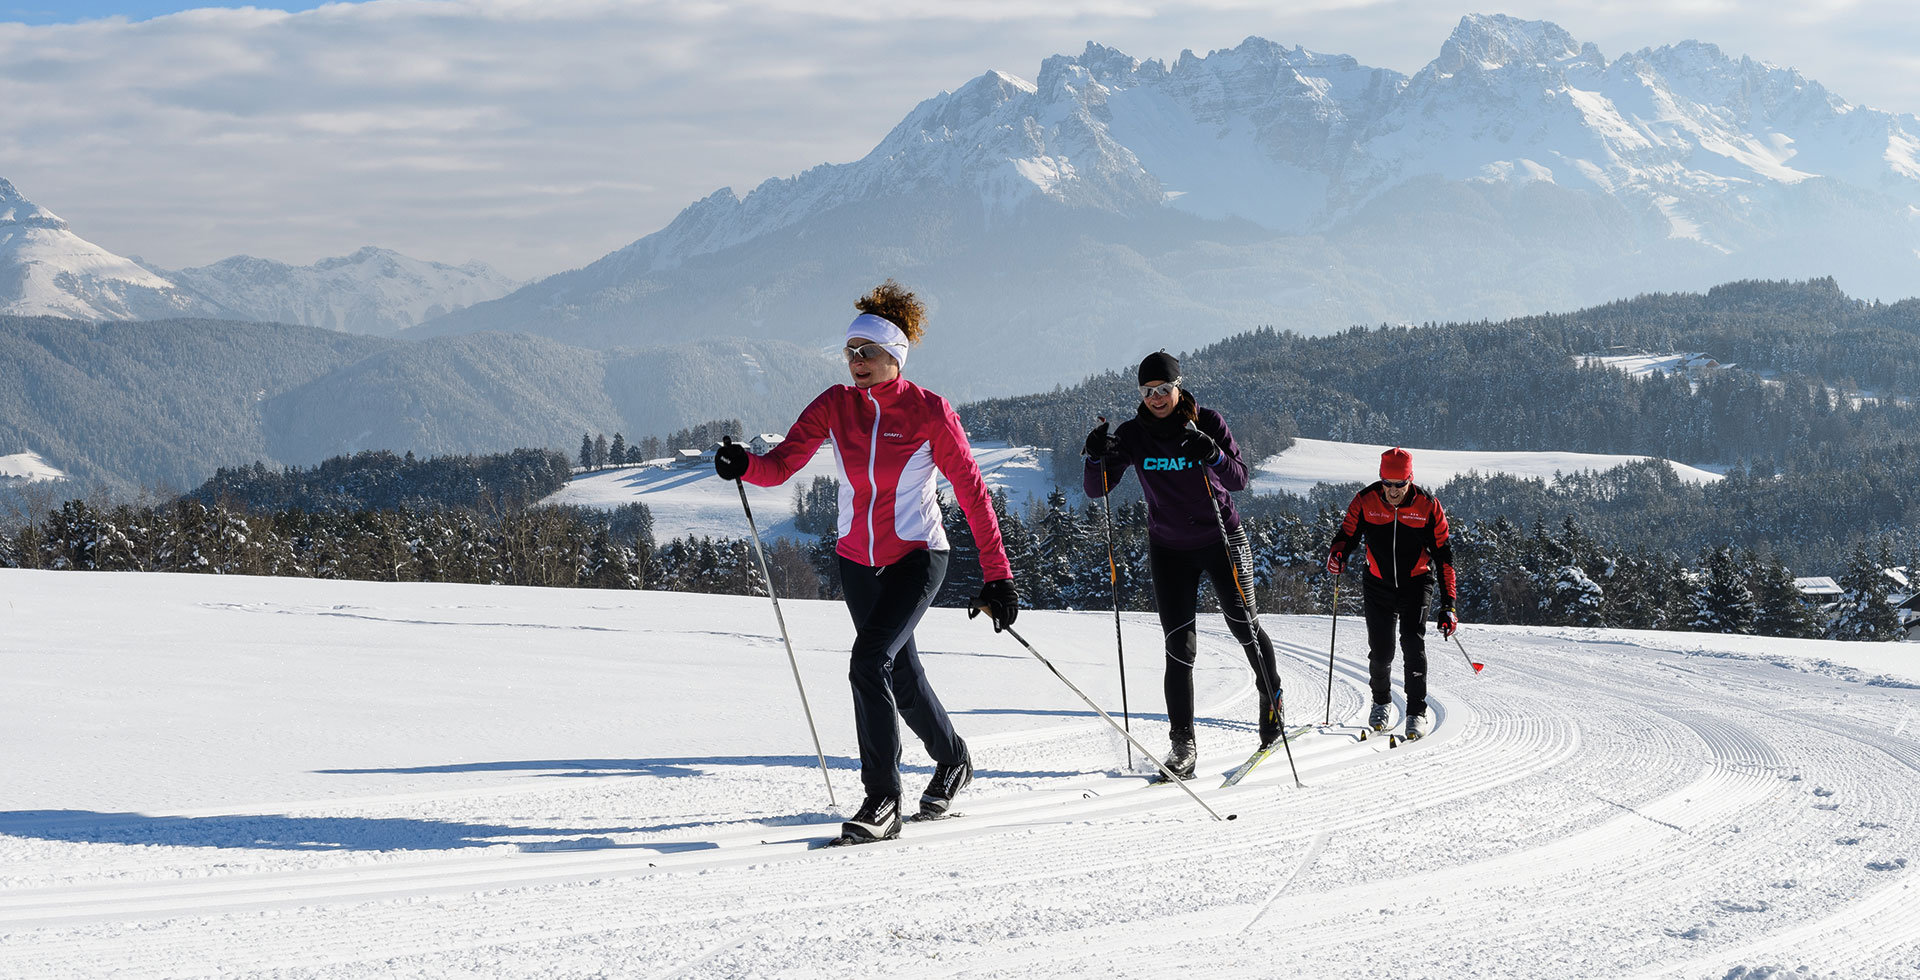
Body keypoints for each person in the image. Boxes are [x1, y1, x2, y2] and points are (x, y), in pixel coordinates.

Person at [713, 280, 1018, 843]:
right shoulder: (835, 405)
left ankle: (883, 800)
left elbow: (973, 493)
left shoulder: (930, 412)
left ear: (894, 356)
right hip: (856, 560)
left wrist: (998, 576)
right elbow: (781, 464)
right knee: (899, 671)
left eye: (868, 352)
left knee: (867, 661)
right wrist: (743, 464)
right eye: (850, 351)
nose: (855, 361)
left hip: (917, 557)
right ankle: (954, 760)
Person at [1082, 351, 1283, 780]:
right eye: (1147, 391)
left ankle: (1272, 699)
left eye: (1164, 389)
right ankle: (1183, 745)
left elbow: (1239, 480)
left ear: (1179, 386)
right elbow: (1096, 490)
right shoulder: (1133, 435)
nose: (1156, 397)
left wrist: (1211, 453)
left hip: (1221, 540)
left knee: (1243, 625)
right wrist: (1095, 455)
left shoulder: (1207, 422)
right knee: (1179, 648)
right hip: (1169, 549)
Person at [1324, 448, 1458, 741]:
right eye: (1387, 483)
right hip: (1377, 584)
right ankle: (1381, 703)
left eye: (1400, 484)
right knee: (1382, 652)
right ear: (1380, 478)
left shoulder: (1428, 506)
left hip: (1416, 583)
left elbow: (1444, 557)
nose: (1393, 490)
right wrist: (1338, 554)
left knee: (1412, 642)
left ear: (1410, 479)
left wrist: (1449, 604)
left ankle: (1416, 712)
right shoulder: (1365, 500)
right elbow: (1346, 535)